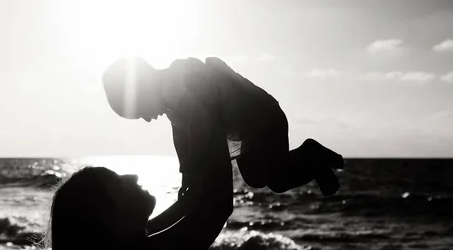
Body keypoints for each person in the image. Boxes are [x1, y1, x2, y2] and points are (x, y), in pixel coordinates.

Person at [29, 111, 233, 250]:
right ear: (108, 218)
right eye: (117, 183)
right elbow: (218, 207)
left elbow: (157, 226)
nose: (133, 176)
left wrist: (186, 202)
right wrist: (215, 118)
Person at [102, 56, 344, 196]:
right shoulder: (170, 103)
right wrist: (185, 172)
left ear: (142, 87)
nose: (145, 118)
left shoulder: (174, 84)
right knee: (255, 179)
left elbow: (200, 122)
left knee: (277, 179)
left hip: (263, 119)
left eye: (139, 111)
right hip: (245, 131)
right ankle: (313, 162)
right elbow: (181, 137)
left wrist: (192, 164)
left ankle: (312, 155)